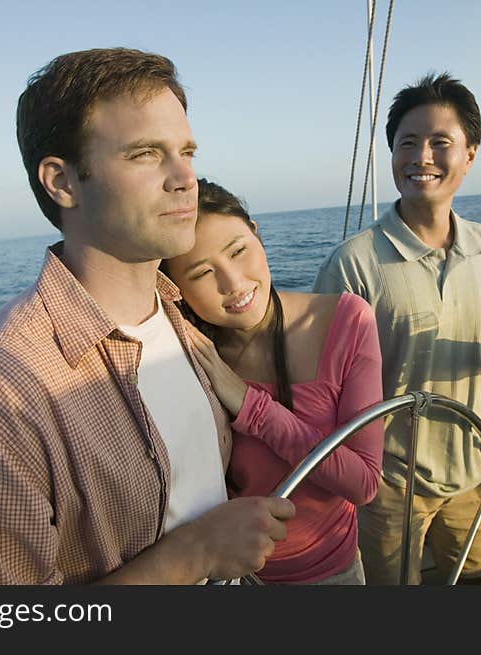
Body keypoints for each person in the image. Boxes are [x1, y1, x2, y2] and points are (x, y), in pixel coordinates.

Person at [0, 48, 295, 585]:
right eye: (145, 155)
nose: (185, 179)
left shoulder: (179, 316)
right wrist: (193, 555)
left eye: (187, 152)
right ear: (62, 183)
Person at [313, 73, 481, 585]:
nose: (422, 157)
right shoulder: (352, 265)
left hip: (478, 469)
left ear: (470, 155)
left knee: (479, 583)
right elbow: (322, 386)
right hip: (390, 483)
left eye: (441, 142)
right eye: (408, 143)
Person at [162, 179, 384, 584]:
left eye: (238, 251)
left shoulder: (347, 320)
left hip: (332, 571)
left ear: (257, 233)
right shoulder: (184, 354)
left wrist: (250, 406)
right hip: (232, 577)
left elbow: (364, 482)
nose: (232, 283)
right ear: (177, 292)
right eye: (202, 273)